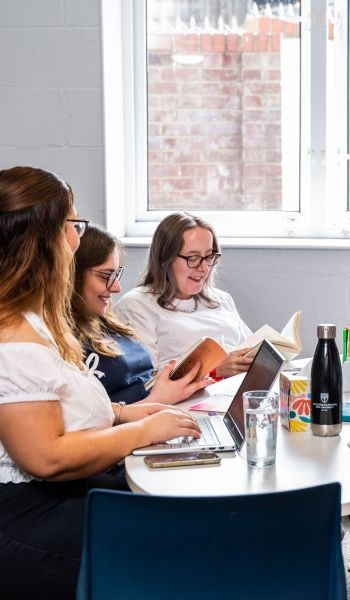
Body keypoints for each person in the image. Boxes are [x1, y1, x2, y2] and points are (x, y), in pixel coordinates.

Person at [0, 166, 201, 599]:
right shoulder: (12, 338)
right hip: (24, 514)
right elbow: (45, 457)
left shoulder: (34, 317)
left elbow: (54, 406)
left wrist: (122, 413)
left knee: (183, 505)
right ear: (44, 238)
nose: (77, 238)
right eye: (73, 225)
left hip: (56, 492)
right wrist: (141, 432)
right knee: (178, 546)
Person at [71, 223, 212, 404]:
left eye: (116, 275)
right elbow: (94, 418)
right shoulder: (60, 342)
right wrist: (158, 401)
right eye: (106, 275)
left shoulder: (102, 321)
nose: (116, 287)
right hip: (144, 419)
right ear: (72, 276)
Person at [114, 212, 254, 378]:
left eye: (209, 256)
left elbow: (251, 347)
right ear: (165, 259)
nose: (204, 268)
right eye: (193, 258)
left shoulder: (221, 299)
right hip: (187, 403)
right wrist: (214, 371)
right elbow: (144, 383)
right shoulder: (136, 306)